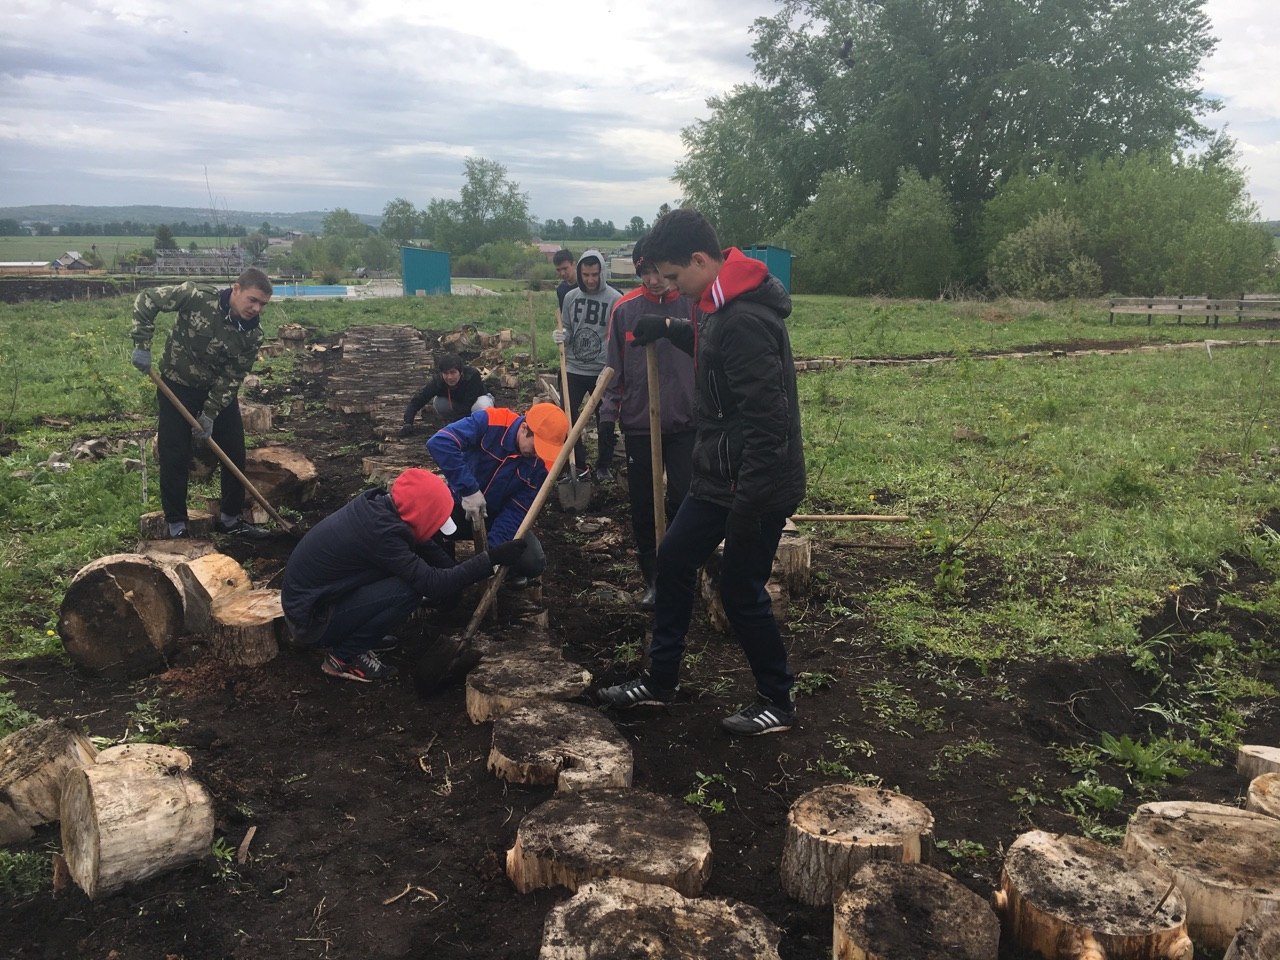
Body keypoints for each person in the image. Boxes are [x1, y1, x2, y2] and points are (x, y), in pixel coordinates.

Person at [598, 209, 806, 736]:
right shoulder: (718, 304)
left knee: (740, 588)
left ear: (699, 260)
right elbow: (712, 351)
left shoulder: (746, 320)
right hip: (721, 472)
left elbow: (769, 427)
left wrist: (748, 507)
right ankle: (661, 680)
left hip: (756, 483)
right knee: (674, 558)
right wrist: (670, 329)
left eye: (673, 277)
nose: (670, 287)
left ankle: (777, 699)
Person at [281, 468, 527, 682]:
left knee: (406, 575)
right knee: (409, 590)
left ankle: (357, 634)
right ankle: (344, 656)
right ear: (420, 515)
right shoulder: (382, 535)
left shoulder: (381, 507)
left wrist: (453, 573)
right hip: (313, 620)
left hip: (318, 599)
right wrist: (490, 559)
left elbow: (423, 543)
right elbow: (431, 584)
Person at [130, 267, 274, 540]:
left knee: (234, 451)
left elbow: (232, 376)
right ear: (236, 289)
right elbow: (148, 298)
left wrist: (210, 413)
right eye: (252, 300)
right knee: (174, 453)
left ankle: (231, 519)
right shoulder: (196, 296)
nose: (256, 308)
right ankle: (177, 524)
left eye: (262, 304)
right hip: (177, 386)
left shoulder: (252, 335)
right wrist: (141, 344)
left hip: (216, 392)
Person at [599, 235, 696, 609]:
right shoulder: (625, 310)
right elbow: (614, 368)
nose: (654, 281)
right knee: (643, 505)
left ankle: (681, 571)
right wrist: (607, 417)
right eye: (645, 274)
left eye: (658, 272)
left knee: (684, 499)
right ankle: (654, 579)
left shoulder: (690, 303)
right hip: (640, 422)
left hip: (687, 420)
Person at [426, 403, 569, 586]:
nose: (537, 456)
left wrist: (493, 556)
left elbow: (517, 510)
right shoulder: (492, 421)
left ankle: (503, 574)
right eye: (535, 448)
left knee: (532, 562)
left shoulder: (543, 465)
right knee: (426, 526)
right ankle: (446, 573)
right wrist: (469, 490)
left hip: (495, 517)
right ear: (524, 429)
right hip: (459, 505)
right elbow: (440, 442)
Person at [557, 250, 622, 480]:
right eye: (586, 275)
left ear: (602, 272)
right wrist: (562, 336)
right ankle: (579, 464)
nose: (590, 280)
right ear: (579, 273)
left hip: (602, 371)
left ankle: (604, 465)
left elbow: (617, 336)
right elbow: (567, 327)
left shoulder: (615, 299)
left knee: (605, 419)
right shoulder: (570, 297)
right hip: (573, 368)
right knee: (567, 417)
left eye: (595, 274)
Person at [399, 352, 494, 435]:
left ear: (460, 372)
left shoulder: (472, 376)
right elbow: (418, 400)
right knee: (438, 402)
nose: (449, 377)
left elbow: (468, 405)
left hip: (476, 401)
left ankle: (483, 428)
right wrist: (408, 422)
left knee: (480, 406)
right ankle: (451, 421)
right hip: (457, 404)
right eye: (446, 373)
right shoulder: (437, 381)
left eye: (453, 373)